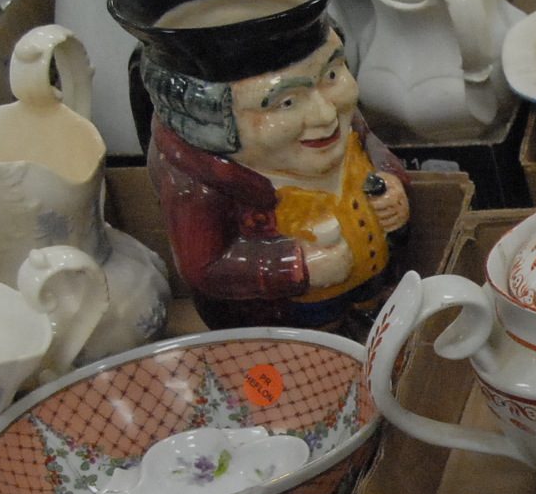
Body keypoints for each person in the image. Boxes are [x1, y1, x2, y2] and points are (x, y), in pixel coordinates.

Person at [144, 25, 412, 336]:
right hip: (286, 321)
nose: (325, 115)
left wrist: (392, 181)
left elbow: (374, 149)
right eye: (286, 102)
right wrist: (293, 267)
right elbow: (205, 266)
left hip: (375, 276)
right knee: (320, 336)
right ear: (216, 124)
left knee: (379, 315)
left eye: (331, 76)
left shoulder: (344, 123)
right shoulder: (200, 185)